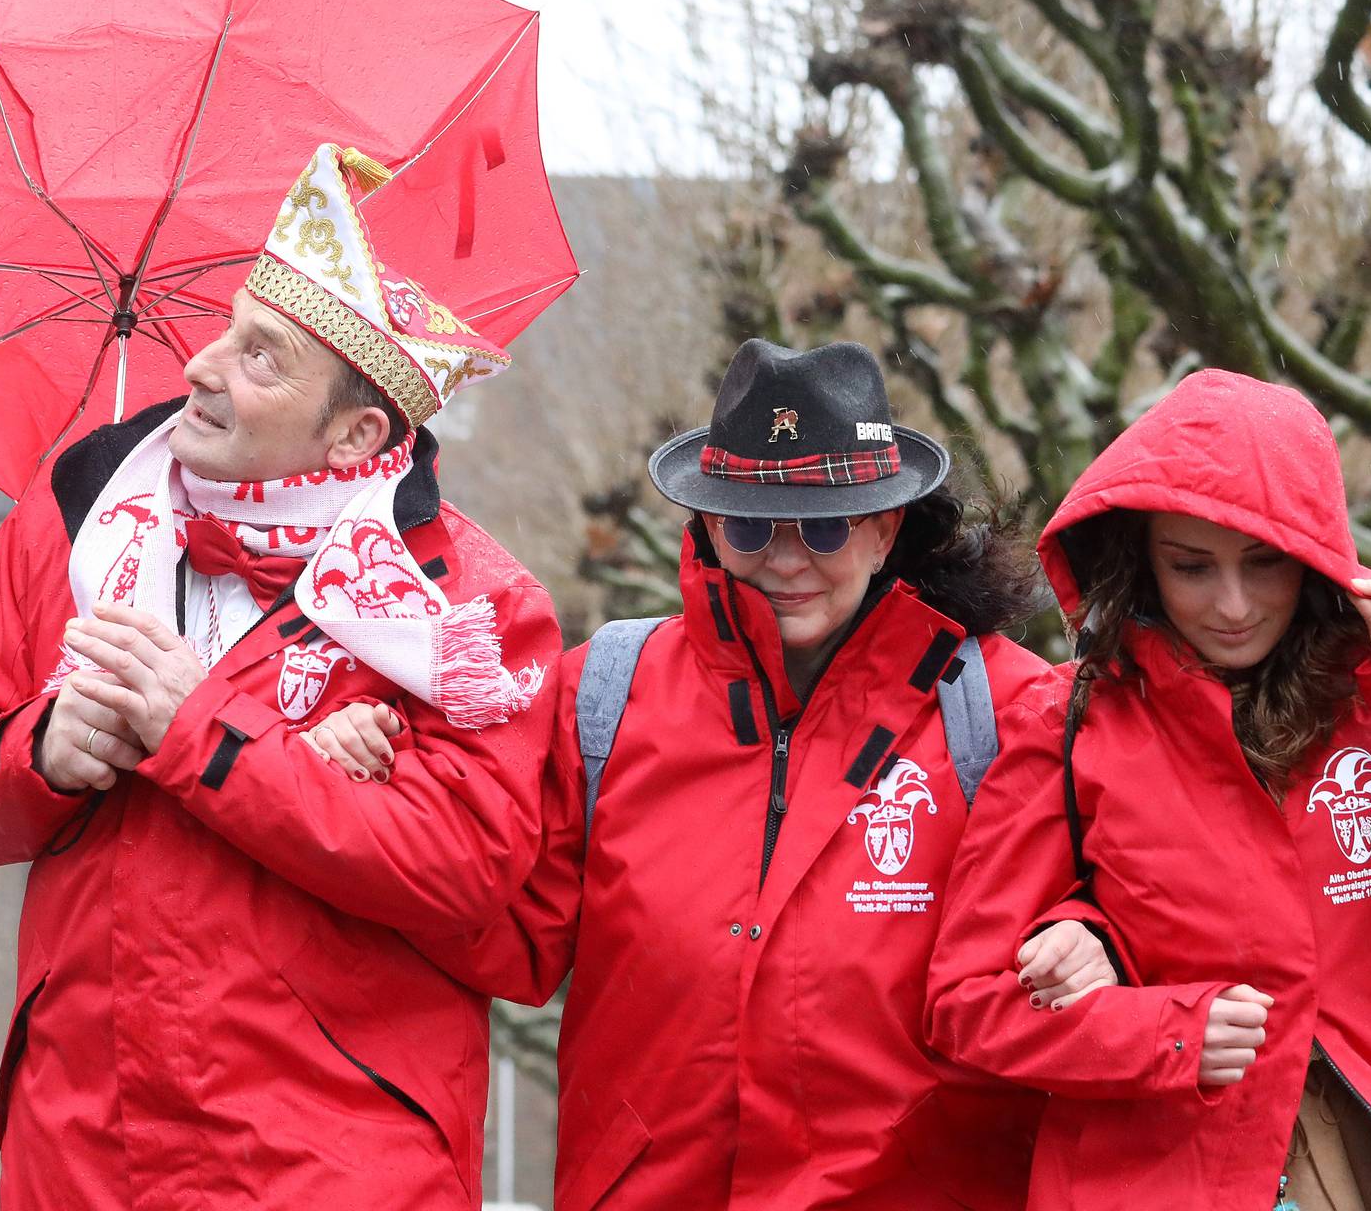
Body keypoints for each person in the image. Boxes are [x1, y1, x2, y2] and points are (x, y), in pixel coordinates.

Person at [0, 142, 564, 1207]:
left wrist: (199, 728)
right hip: (83, 1150)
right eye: (227, 330)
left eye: (261, 358)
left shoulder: (471, 610)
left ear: (356, 434)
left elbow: (464, 871)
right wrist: (42, 750)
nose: (203, 367)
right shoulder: (76, 522)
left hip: (335, 1166)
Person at [305, 339, 1117, 1209]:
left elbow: (1136, 893)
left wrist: (1093, 937)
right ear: (708, 528)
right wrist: (386, 784)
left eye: (827, 525)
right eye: (754, 526)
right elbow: (506, 933)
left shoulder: (1011, 710)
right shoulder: (603, 693)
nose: (789, 558)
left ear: (886, 532)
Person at [924, 370, 1371, 1209]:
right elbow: (964, 1005)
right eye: (1192, 567)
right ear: (1140, 560)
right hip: (1154, 1178)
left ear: (1313, 556)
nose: (1233, 605)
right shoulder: (1064, 722)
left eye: (1265, 564)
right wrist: (1163, 1036)